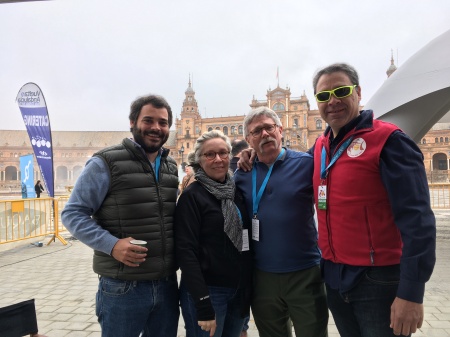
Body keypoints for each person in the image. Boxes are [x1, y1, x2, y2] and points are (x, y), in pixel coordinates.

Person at [311, 63, 436, 337]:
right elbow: (290, 166)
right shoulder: (321, 146)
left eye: (340, 91)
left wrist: (412, 293)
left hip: (379, 282)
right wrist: (247, 158)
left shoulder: (389, 141)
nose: (332, 101)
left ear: (357, 92)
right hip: (334, 277)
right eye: (323, 96)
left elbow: (418, 220)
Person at [61, 94, 180, 337]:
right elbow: (73, 213)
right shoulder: (105, 162)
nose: (156, 128)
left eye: (163, 122)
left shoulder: (171, 166)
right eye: (148, 120)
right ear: (133, 122)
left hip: (167, 284)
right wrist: (112, 245)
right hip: (123, 287)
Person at [234, 107, 328, 337]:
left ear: (281, 130)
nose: (265, 134)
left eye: (269, 127)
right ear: (249, 140)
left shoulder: (306, 164)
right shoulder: (242, 174)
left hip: (305, 272)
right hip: (262, 275)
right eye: (257, 131)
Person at [175, 130, 252, 337]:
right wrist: (203, 304)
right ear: (199, 160)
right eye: (210, 154)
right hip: (209, 291)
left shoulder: (236, 190)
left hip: (238, 289)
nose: (218, 159)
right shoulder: (192, 196)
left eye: (223, 153)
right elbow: (186, 251)